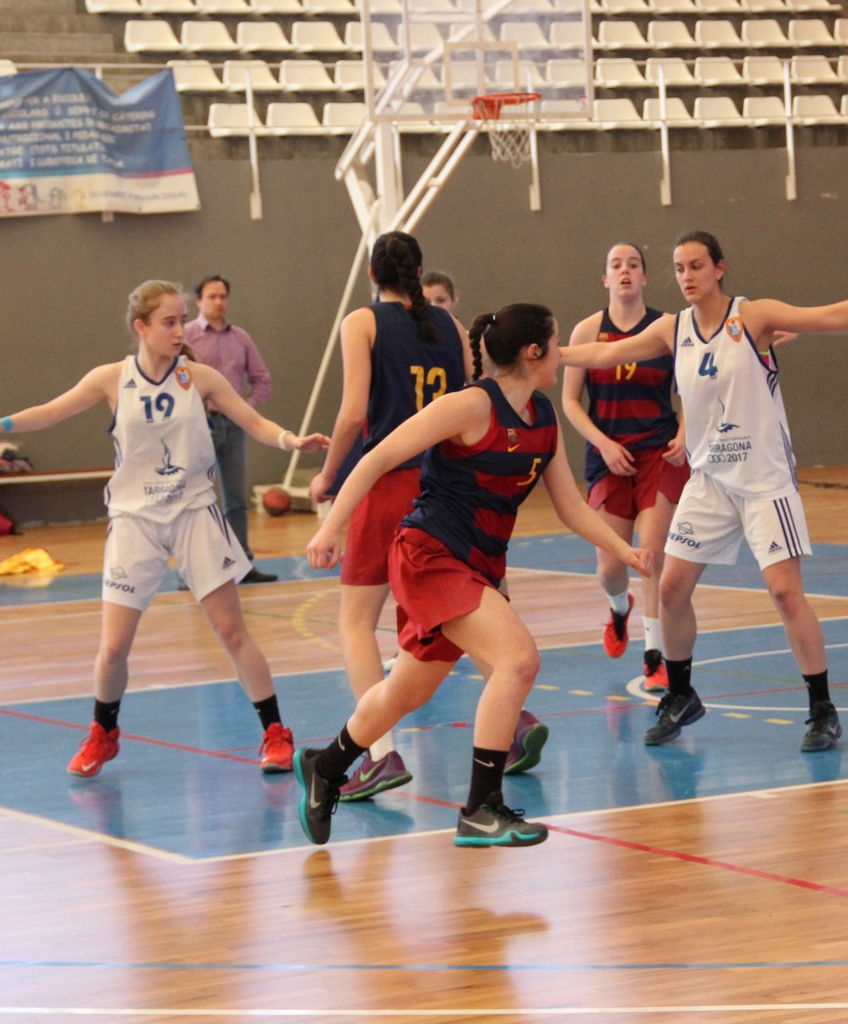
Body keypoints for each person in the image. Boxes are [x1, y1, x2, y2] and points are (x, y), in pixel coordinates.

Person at [561, 231, 848, 752]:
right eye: (679, 268)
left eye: (697, 266)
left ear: (720, 268)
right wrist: (550, 354)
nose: (687, 276)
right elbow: (604, 355)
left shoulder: (752, 317)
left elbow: (832, 315)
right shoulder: (671, 328)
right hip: (709, 483)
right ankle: (681, 695)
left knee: (784, 593)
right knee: (672, 589)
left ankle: (822, 708)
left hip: (764, 481)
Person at [294, 303, 653, 849]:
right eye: (556, 345)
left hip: (478, 563)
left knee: (403, 692)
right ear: (535, 353)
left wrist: (622, 549)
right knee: (518, 658)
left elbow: (570, 507)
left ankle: (327, 766)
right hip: (429, 554)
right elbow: (376, 457)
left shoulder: (543, 416)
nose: (561, 354)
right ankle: (481, 808)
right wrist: (330, 529)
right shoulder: (468, 405)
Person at [0, 281, 329, 778]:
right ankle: (103, 734)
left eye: (180, 321)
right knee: (113, 647)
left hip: (193, 513)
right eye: (169, 322)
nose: (179, 330)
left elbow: (252, 420)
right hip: (135, 520)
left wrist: (291, 441)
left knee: (233, 631)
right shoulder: (112, 379)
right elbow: (51, 411)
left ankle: (275, 734)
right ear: (141, 328)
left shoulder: (201, 377)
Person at [309, 232, 541, 804]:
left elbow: (355, 413)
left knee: (357, 623)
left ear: (371, 271)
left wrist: (328, 477)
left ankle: (379, 754)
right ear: (418, 270)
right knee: (471, 623)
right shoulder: (455, 329)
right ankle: (514, 723)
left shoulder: (362, 323)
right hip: (450, 491)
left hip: (388, 484)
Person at [561, 242, 688, 691]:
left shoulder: (668, 328)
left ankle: (654, 656)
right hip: (609, 455)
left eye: (633, 264)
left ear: (645, 276)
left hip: (658, 450)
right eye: (616, 264)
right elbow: (570, 402)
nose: (625, 271)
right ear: (605, 279)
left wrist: (685, 432)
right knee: (611, 567)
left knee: (650, 555)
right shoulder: (586, 332)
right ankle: (619, 610)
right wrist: (603, 442)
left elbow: (692, 388)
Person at [184, 274, 278, 585]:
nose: (218, 302)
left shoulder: (240, 338)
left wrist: (245, 409)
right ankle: (197, 570)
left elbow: (262, 378)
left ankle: (242, 565)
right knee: (197, 499)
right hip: (200, 424)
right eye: (211, 296)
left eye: (223, 296)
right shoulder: (186, 337)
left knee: (236, 499)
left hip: (233, 426)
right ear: (199, 301)